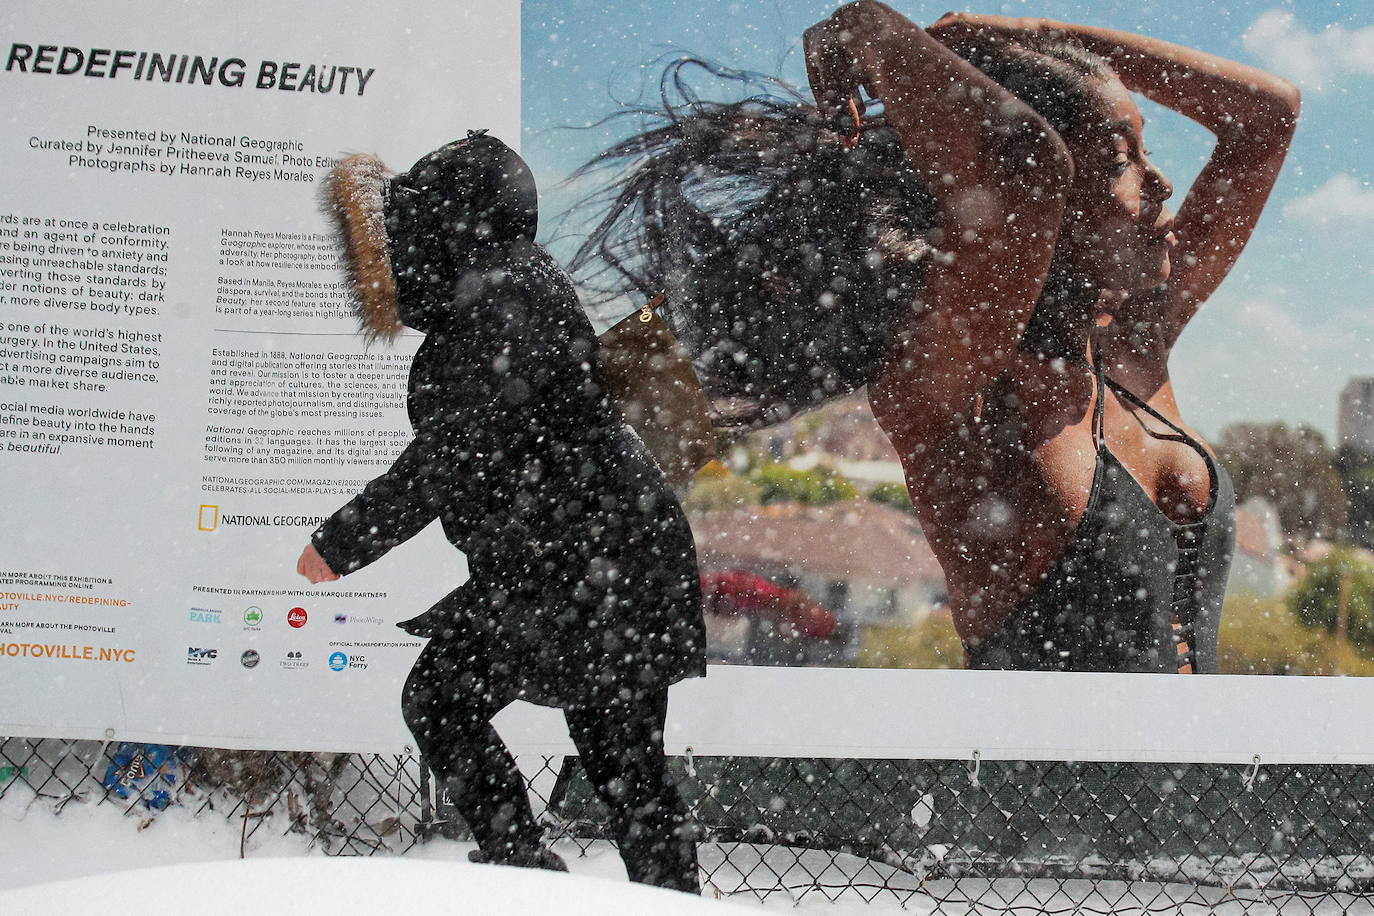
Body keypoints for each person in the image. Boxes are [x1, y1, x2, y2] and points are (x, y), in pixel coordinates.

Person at [574, 1, 1298, 672]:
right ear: (1052, 218)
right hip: (1035, 802)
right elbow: (1023, 165)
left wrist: (1018, 36)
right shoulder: (960, 379)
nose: (1161, 181)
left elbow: (1266, 115)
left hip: (1192, 798)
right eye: (1118, 160)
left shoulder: (1134, 345)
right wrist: (866, 24)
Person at [296, 131, 705, 891]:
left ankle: (522, 871)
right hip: (605, 555)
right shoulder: (511, 286)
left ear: (450, 223)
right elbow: (475, 445)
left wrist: (343, 541)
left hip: (585, 564)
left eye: (413, 221)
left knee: (445, 699)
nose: (395, 244)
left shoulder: (501, 298)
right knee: (623, 766)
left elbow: (449, 455)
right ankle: (641, 892)